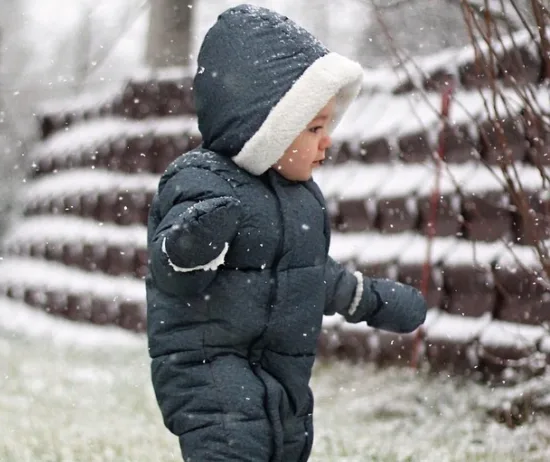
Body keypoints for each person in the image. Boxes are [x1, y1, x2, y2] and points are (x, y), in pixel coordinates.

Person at [145, 4, 428, 461]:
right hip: (207, 369)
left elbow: (310, 275)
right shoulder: (200, 181)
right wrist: (195, 242)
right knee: (236, 447)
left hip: (283, 371)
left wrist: (370, 298)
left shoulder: (302, 199)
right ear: (266, 129)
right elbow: (173, 271)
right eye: (314, 127)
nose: (327, 139)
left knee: (286, 446)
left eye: (328, 125)